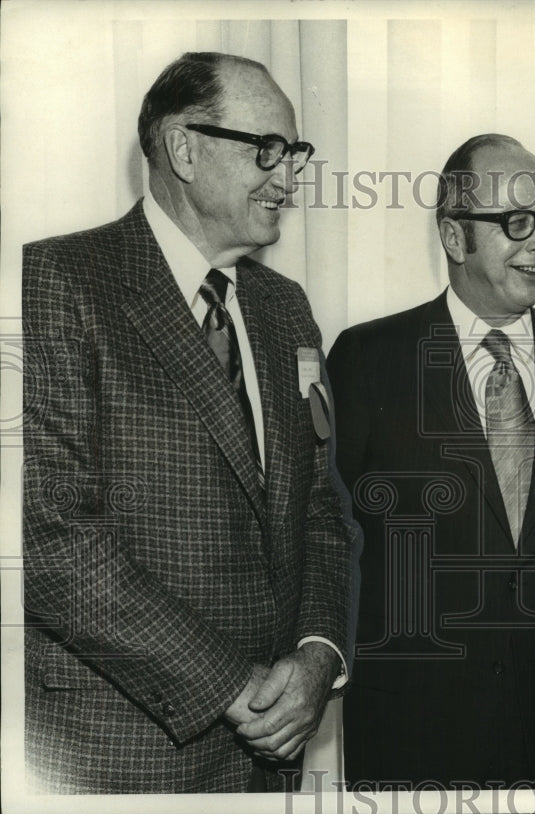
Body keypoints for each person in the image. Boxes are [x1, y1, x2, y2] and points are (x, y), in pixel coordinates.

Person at [22, 51, 358, 794]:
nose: (290, 178)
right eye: (266, 150)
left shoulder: (284, 307)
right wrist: (229, 685)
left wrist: (317, 654)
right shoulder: (56, 281)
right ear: (184, 148)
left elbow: (320, 510)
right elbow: (48, 537)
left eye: (294, 153)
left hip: (271, 758)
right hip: (122, 758)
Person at [327, 134, 535, 788]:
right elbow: (334, 531)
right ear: (455, 237)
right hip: (410, 714)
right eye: (516, 223)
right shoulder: (367, 359)